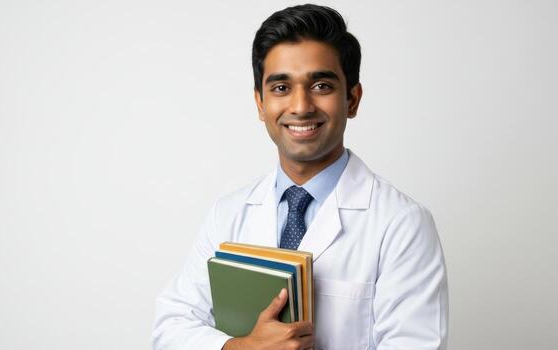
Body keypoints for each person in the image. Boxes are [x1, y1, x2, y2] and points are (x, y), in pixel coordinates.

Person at [152, 4, 448, 350]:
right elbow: (170, 329)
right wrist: (242, 348)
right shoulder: (227, 214)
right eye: (280, 88)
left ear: (352, 99)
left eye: (321, 85)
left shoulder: (402, 224)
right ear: (260, 103)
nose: (301, 106)